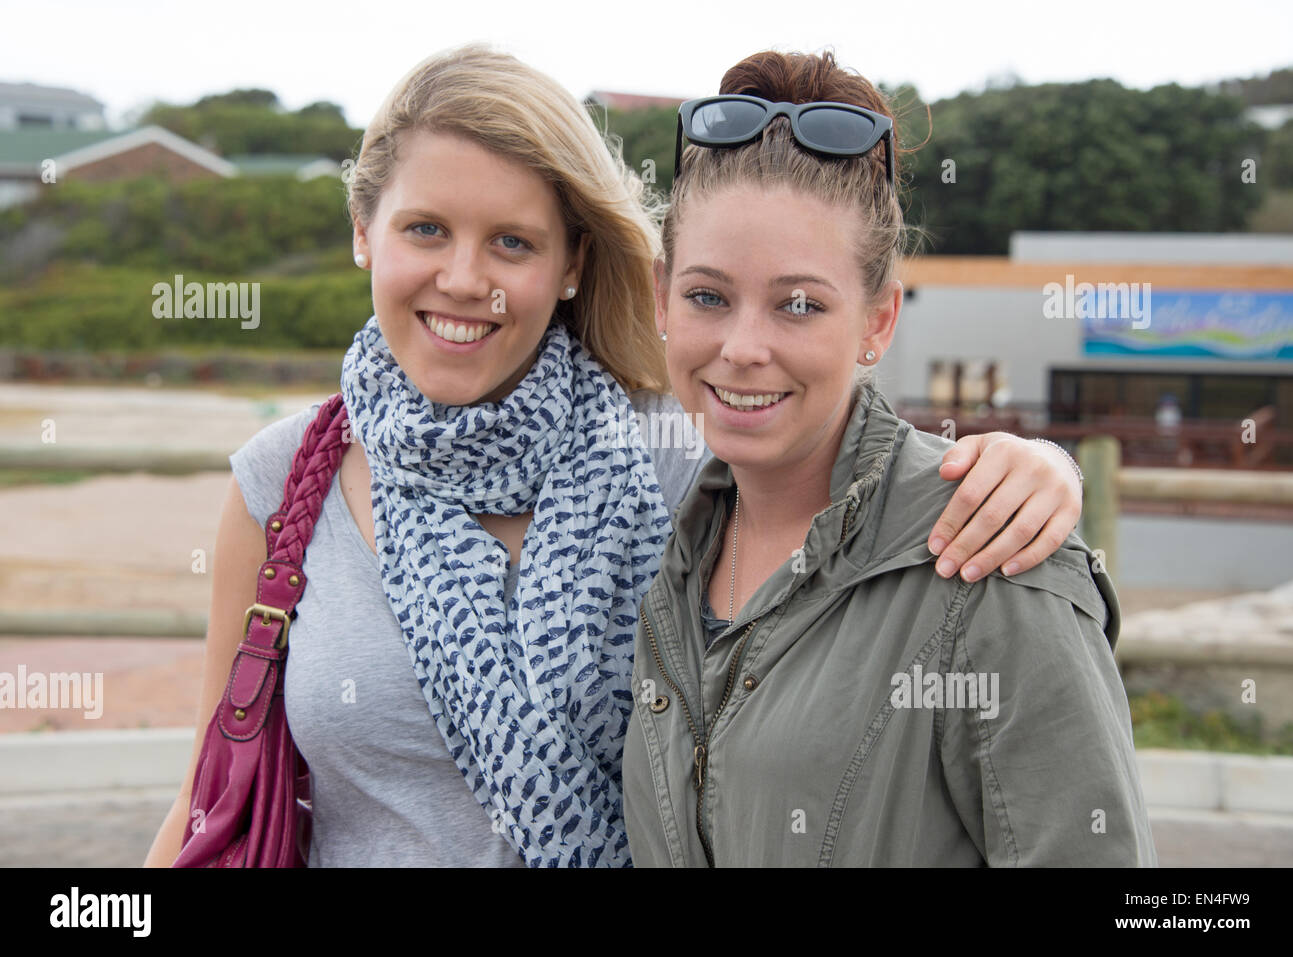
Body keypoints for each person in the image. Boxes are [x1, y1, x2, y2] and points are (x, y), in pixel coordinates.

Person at [146, 44, 1088, 868]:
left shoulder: (679, 455)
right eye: (425, 228)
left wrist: (1039, 463)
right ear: (364, 232)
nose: (463, 279)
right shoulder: (283, 485)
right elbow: (205, 794)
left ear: (571, 266)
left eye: (512, 242)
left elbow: (845, 465)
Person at [623, 49, 1156, 867]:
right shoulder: (663, 542)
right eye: (707, 296)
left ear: (877, 321)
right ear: (662, 298)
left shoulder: (991, 555)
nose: (742, 347)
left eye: (799, 304)